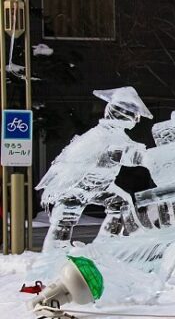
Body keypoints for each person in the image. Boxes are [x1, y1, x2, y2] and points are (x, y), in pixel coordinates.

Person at [36, 87, 153, 251]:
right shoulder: (104, 136)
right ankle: (53, 254)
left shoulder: (113, 134)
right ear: (122, 114)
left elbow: (131, 150)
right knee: (66, 217)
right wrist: (152, 158)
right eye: (134, 114)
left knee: (121, 203)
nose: (137, 119)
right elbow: (128, 154)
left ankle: (106, 243)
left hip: (100, 185)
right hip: (76, 186)